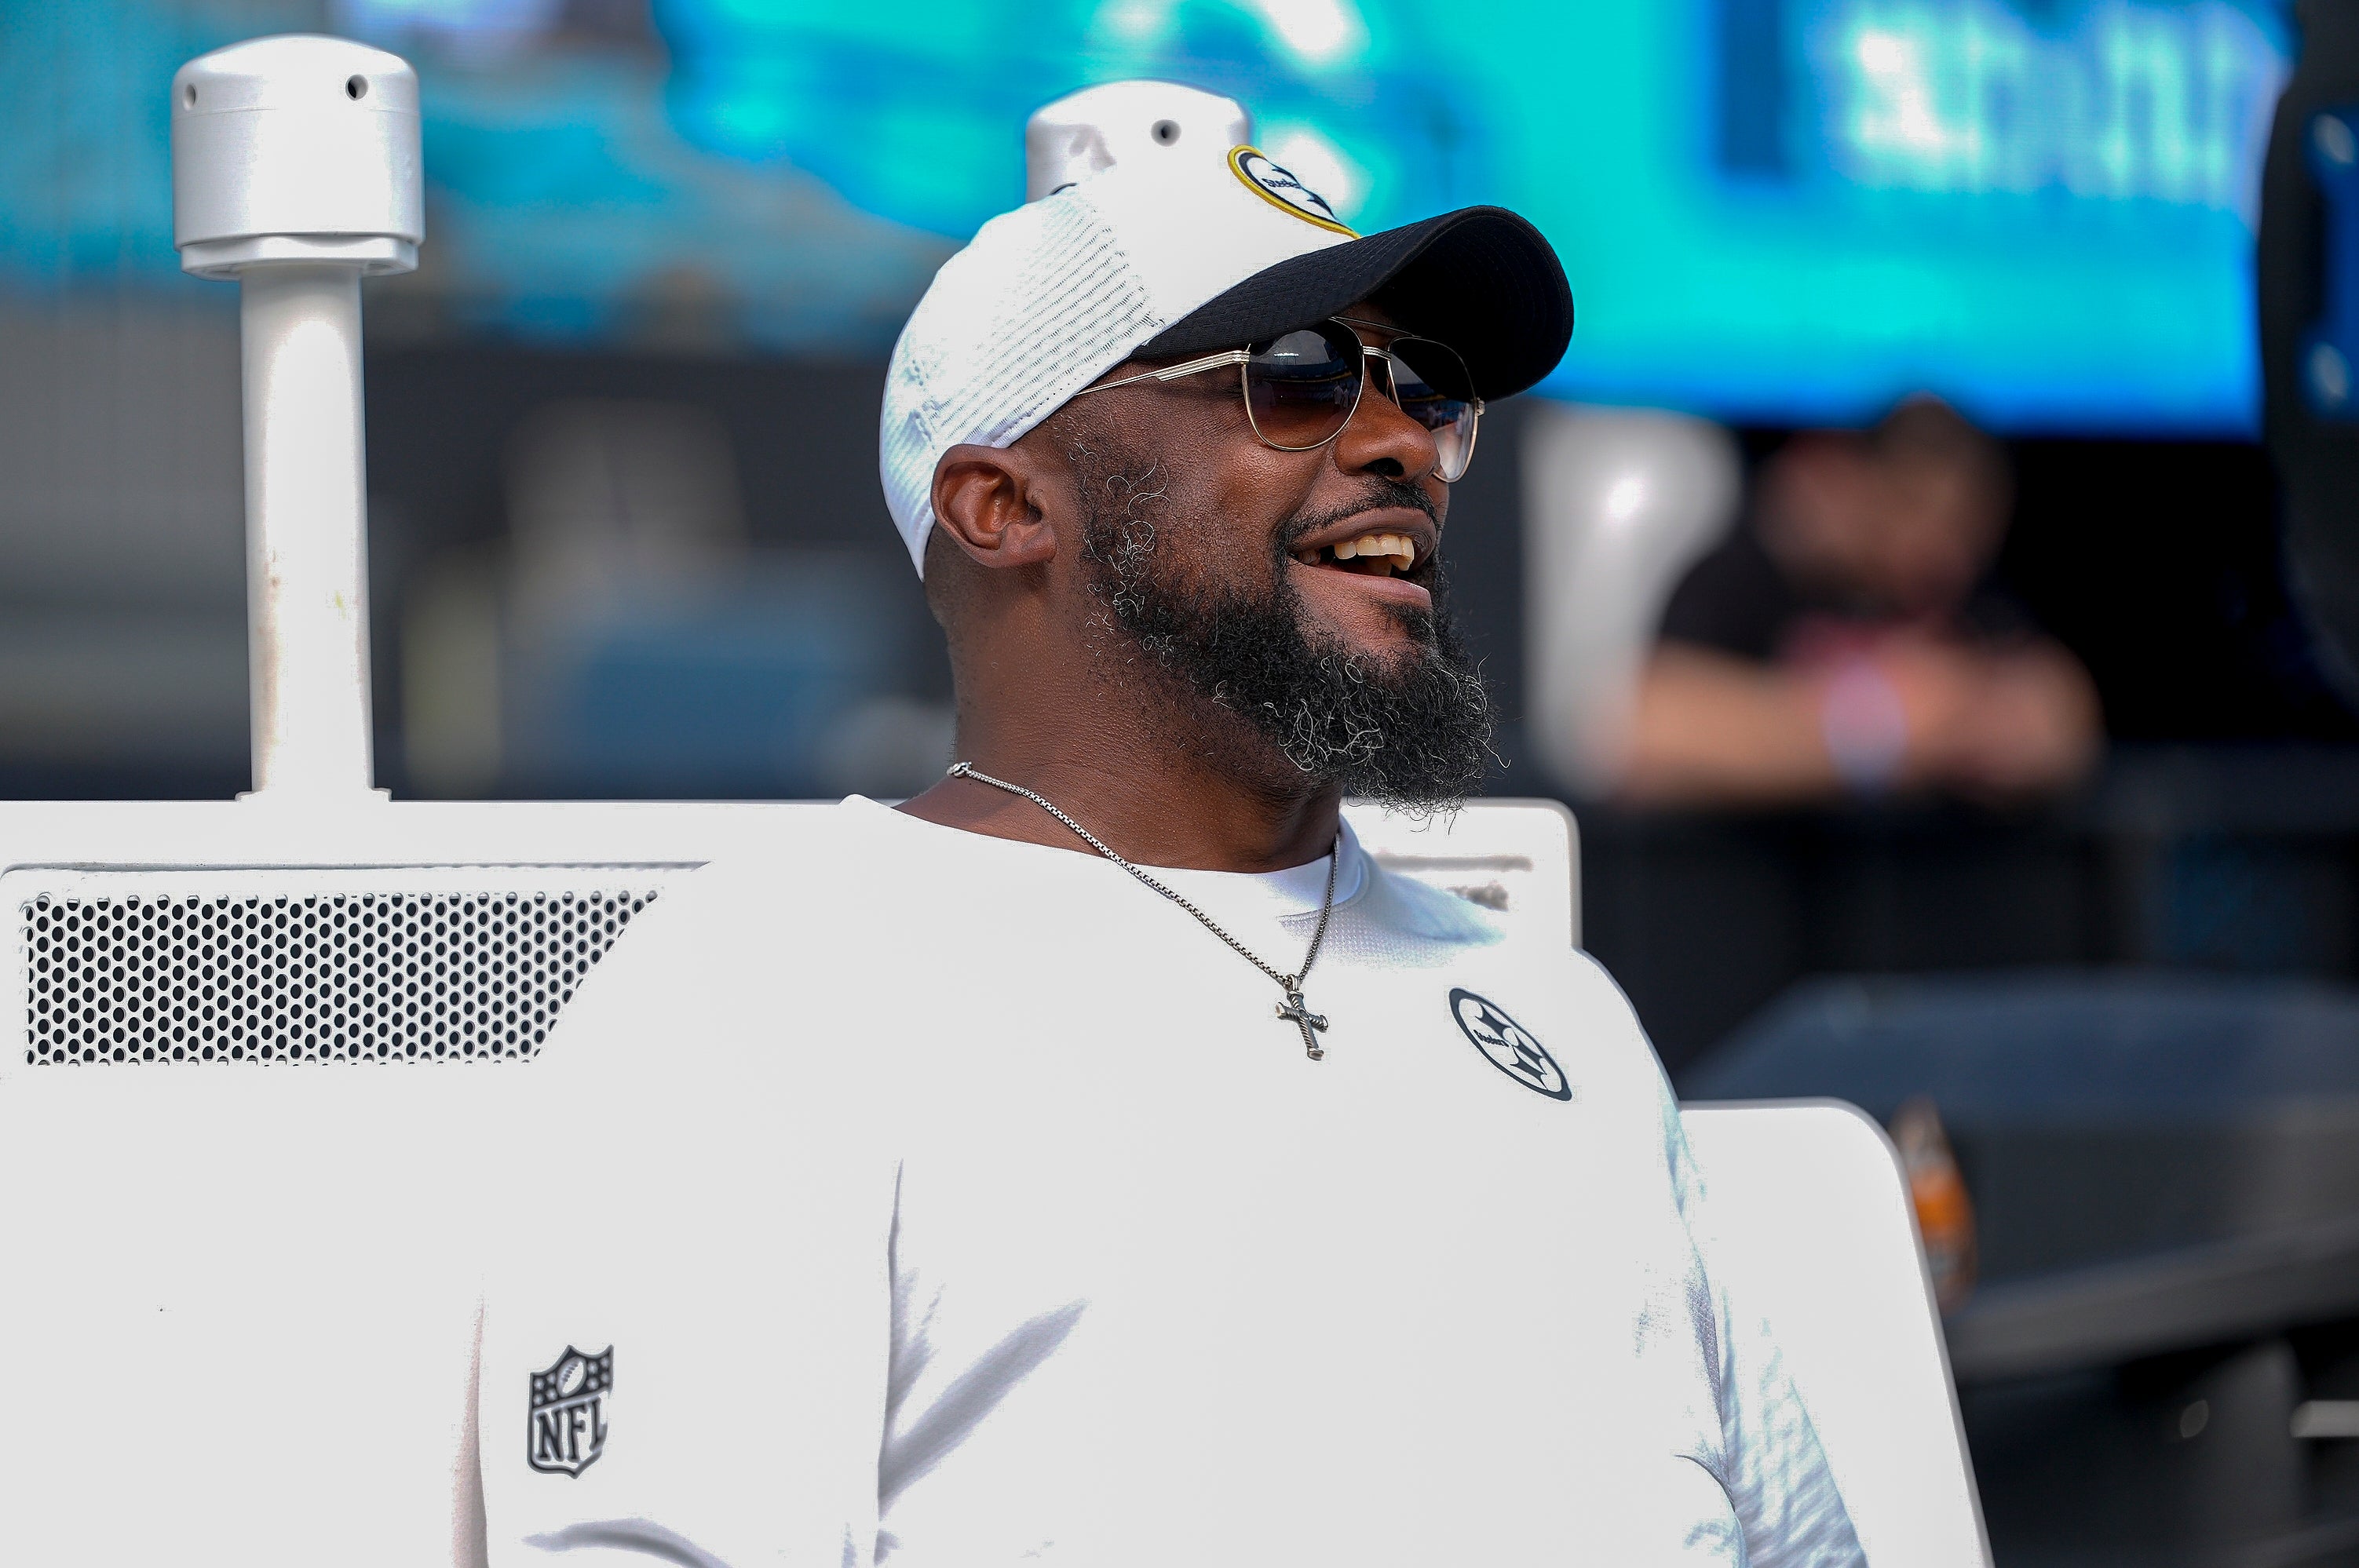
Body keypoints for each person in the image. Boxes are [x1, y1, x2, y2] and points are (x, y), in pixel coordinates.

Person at [479, 117, 1865, 1566]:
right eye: (1301, 375)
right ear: (1004, 503)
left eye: (1424, 387)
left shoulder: (1561, 1015)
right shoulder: (770, 995)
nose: (1402, 442)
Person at [1621, 397, 2101, 807]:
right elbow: (1646, 727)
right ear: (1852, 485)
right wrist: (1871, 724)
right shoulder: (1757, 572)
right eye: (1915, 513)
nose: (1942, 556)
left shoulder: (1957, 592)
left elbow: (2056, 701)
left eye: (1965, 531)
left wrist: (2023, 726)